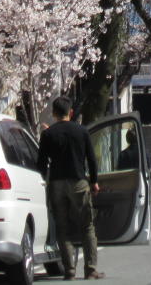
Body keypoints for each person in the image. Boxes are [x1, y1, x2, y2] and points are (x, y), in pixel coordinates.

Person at [37, 96, 105, 281]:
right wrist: (94, 182)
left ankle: (69, 271)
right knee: (87, 226)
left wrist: (43, 179)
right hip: (78, 182)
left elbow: (41, 163)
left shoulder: (48, 134)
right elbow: (91, 159)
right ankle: (90, 270)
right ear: (71, 112)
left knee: (62, 227)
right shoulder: (81, 131)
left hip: (57, 183)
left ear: (53, 114)